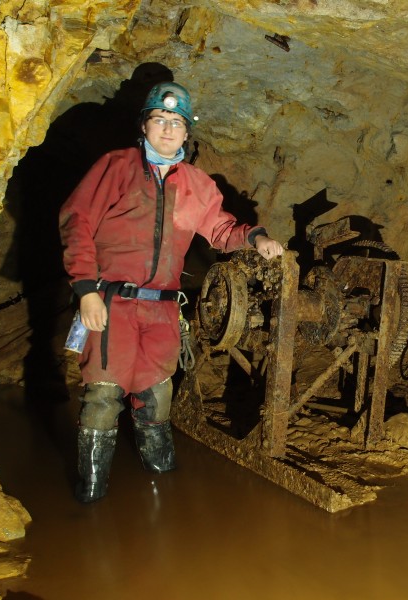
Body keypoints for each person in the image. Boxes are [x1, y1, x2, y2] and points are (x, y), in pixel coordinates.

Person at [59, 81, 284, 503]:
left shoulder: (197, 185)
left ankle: (163, 489)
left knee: (157, 398)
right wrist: (86, 289)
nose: (167, 129)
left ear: (186, 133)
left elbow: (220, 228)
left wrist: (255, 238)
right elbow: (77, 221)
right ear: (144, 125)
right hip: (112, 303)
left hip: (162, 308)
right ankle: (89, 498)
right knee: (103, 398)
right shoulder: (116, 167)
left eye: (177, 123)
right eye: (159, 120)